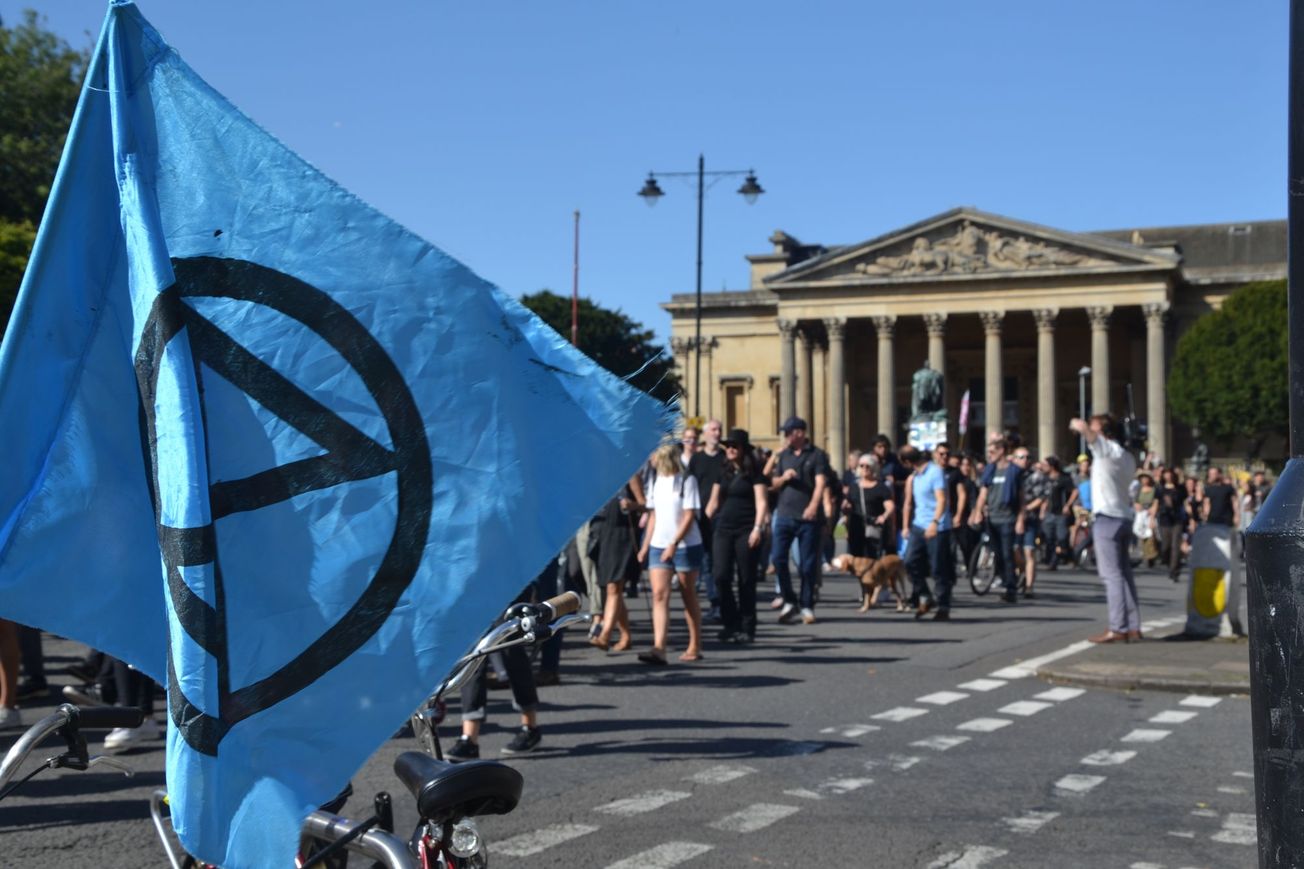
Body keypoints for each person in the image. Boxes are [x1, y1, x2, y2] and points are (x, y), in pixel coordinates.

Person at [447, 580, 548, 761]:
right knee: (473, 651)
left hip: (509, 576)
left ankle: (530, 727)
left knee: (510, 646)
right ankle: (469, 738)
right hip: (476, 579)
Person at [1070, 415, 1141, 643]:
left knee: (1111, 575)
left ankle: (1117, 627)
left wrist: (1078, 425)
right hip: (1123, 516)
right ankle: (1133, 626)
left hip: (1106, 518)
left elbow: (1090, 436)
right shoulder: (1127, 456)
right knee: (1124, 574)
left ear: (1103, 430)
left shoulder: (1106, 449)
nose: (1091, 428)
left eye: (1095, 425)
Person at [637, 442, 705, 664]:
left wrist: (674, 543)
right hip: (659, 544)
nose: (652, 459)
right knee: (659, 594)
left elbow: (688, 516)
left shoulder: (687, 480)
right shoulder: (656, 482)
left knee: (687, 594)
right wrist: (645, 546)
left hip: (685, 545)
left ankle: (695, 644)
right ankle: (659, 648)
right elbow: (654, 516)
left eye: (655, 455)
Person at [705, 429, 769, 644]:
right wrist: (702, 522)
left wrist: (757, 528)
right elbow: (713, 503)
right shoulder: (722, 470)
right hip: (723, 528)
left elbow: (761, 502)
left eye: (734, 446)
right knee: (720, 576)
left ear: (743, 449)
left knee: (746, 579)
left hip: (746, 529)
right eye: (728, 446)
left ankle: (747, 626)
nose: (730, 449)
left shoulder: (754, 472)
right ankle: (730, 623)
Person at [768, 417, 829, 625]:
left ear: (800, 433)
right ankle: (789, 600)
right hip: (784, 514)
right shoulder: (784, 456)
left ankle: (807, 605)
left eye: (789, 432)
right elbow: (773, 484)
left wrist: (813, 506)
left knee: (807, 564)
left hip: (808, 518)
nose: (785, 436)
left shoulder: (817, 455)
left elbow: (821, 484)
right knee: (777, 558)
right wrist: (783, 478)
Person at [589, 473, 645, 651]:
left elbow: (644, 504)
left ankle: (605, 635)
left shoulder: (630, 474)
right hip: (606, 531)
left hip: (623, 533)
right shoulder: (604, 474)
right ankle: (626, 634)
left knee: (614, 586)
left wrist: (632, 505)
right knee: (612, 587)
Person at [900, 446, 955, 619]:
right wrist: (905, 526)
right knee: (909, 561)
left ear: (908, 462)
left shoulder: (935, 472)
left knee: (938, 567)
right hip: (918, 525)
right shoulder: (914, 477)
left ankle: (944, 605)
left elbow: (942, 499)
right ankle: (925, 595)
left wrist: (935, 522)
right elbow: (908, 503)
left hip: (937, 527)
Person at [971, 436, 1024, 604]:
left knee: (1007, 554)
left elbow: (1022, 498)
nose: (990, 455)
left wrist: (1021, 519)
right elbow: (983, 493)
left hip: (1008, 518)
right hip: (991, 518)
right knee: (997, 554)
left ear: (1001, 451)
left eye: (992, 451)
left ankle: (1011, 589)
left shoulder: (1014, 471)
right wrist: (978, 511)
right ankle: (1005, 579)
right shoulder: (990, 470)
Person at [689, 419, 726, 623]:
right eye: (713, 429)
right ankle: (708, 598)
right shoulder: (697, 459)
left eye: (719, 429)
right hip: (700, 516)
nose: (717, 433)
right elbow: (690, 485)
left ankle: (717, 601)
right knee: (703, 560)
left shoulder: (725, 458)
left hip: (723, 516)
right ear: (705, 434)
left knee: (716, 561)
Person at [843, 454, 895, 561]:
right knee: (857, 561)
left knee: (872, 560)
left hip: (874, 526)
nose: (865, 468)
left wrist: (883, 517)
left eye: (868, 466)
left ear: (874, 468)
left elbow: (890, 506)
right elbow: (848, 507)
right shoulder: (854, 487)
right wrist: (847, 527)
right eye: (862, 466)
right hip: (856, 527)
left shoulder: (881, 487)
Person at [1015, 448, 1045, 598]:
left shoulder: (1036, 476)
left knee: (1029, 551)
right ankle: (1023, 572)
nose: (1025, 460)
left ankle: (1029, 587)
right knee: (1014, 551)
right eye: (1021, 457)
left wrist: (1026, 509)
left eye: (1028, 457)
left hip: (1030, 518)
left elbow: (1041, 498)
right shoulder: (1011, 474)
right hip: (1012, 518)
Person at [1041, 456, 1076, 570]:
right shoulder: (1046, 479)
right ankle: (1052, 558)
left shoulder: (1063, 478)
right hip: (1049, 513)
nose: (1043, 467)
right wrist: (1042, 510)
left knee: (1061, 537)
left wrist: (1068, 505)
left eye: (1045, 465)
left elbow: (1075, 491)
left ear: (1052, 466)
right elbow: (1045, 496)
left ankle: (1060, 559)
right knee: (1048, 537)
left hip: (1060, 513)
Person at [1156, 467, 1186, 582]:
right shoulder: (1160, 489)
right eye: (1166, 475)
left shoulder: (1180, 488)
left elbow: (1185, 501)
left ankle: (1174, 570)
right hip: (1164, 520)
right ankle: (1170, 564)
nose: (1168, 477)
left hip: (1177, 520)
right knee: (1165, 546)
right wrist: (1151, 519)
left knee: (1175, 546)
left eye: (1170, 475)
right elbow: (1156, 503)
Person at [1202, 466, 1240, 530]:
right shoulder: (1207, 489)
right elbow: (1206, 503)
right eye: (1210, 474)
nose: (1211, 476)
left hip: (1226, 520)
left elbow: (1234, 501)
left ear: (1219, 474)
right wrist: (1205, 517)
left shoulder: (1228, 488)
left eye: (1213, 474)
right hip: (1212, 520)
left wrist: (1237, 515)